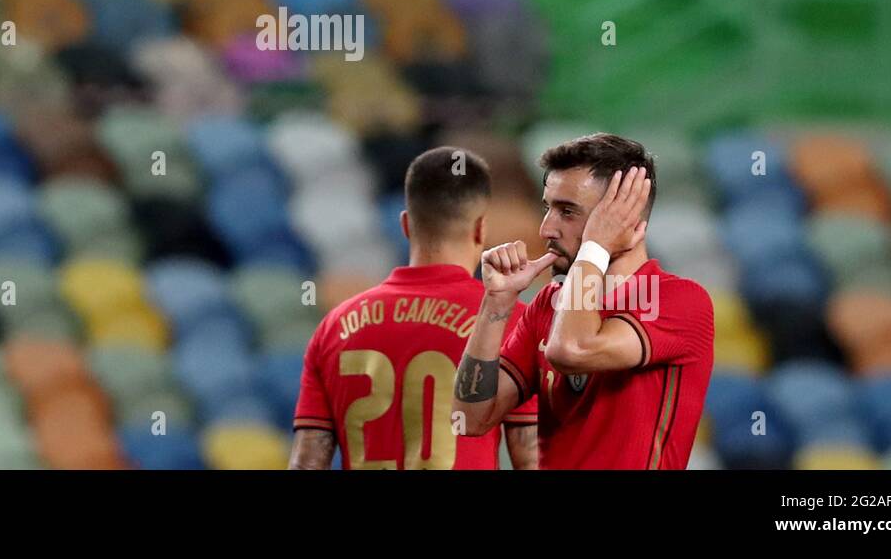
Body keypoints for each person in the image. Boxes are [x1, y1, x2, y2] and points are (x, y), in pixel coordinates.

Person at [452, 133, 714, 469]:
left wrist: (595, 247)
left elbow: (572, 349)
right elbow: (469, 419)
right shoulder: (547, 305)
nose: (546, 228)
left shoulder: (676, 299)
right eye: (548, 207)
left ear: (624, 219)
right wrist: (497, 303)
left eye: (567, 211)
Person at [288, 146, 538, 469]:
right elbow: (530, 455)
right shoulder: (510, 320)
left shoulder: (334, 325)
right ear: (480, 229)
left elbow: (307, 462)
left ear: (406, 225)